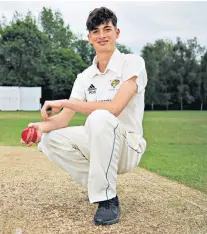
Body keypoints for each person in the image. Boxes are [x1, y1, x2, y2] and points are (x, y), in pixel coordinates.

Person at [21, 7, 147, 226]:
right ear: (89, 38)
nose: (102, 35)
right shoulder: (84, 77)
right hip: (100, 142)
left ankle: (106, 199)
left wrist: (65, 102)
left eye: (107, 29)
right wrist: (40, 127)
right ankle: (100, 189)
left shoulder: (132, 63)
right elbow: (62, 120)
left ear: (117, 33)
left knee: (99, 117)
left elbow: (115, 108)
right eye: (95, 31)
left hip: (129, 145)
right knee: (50, 140)